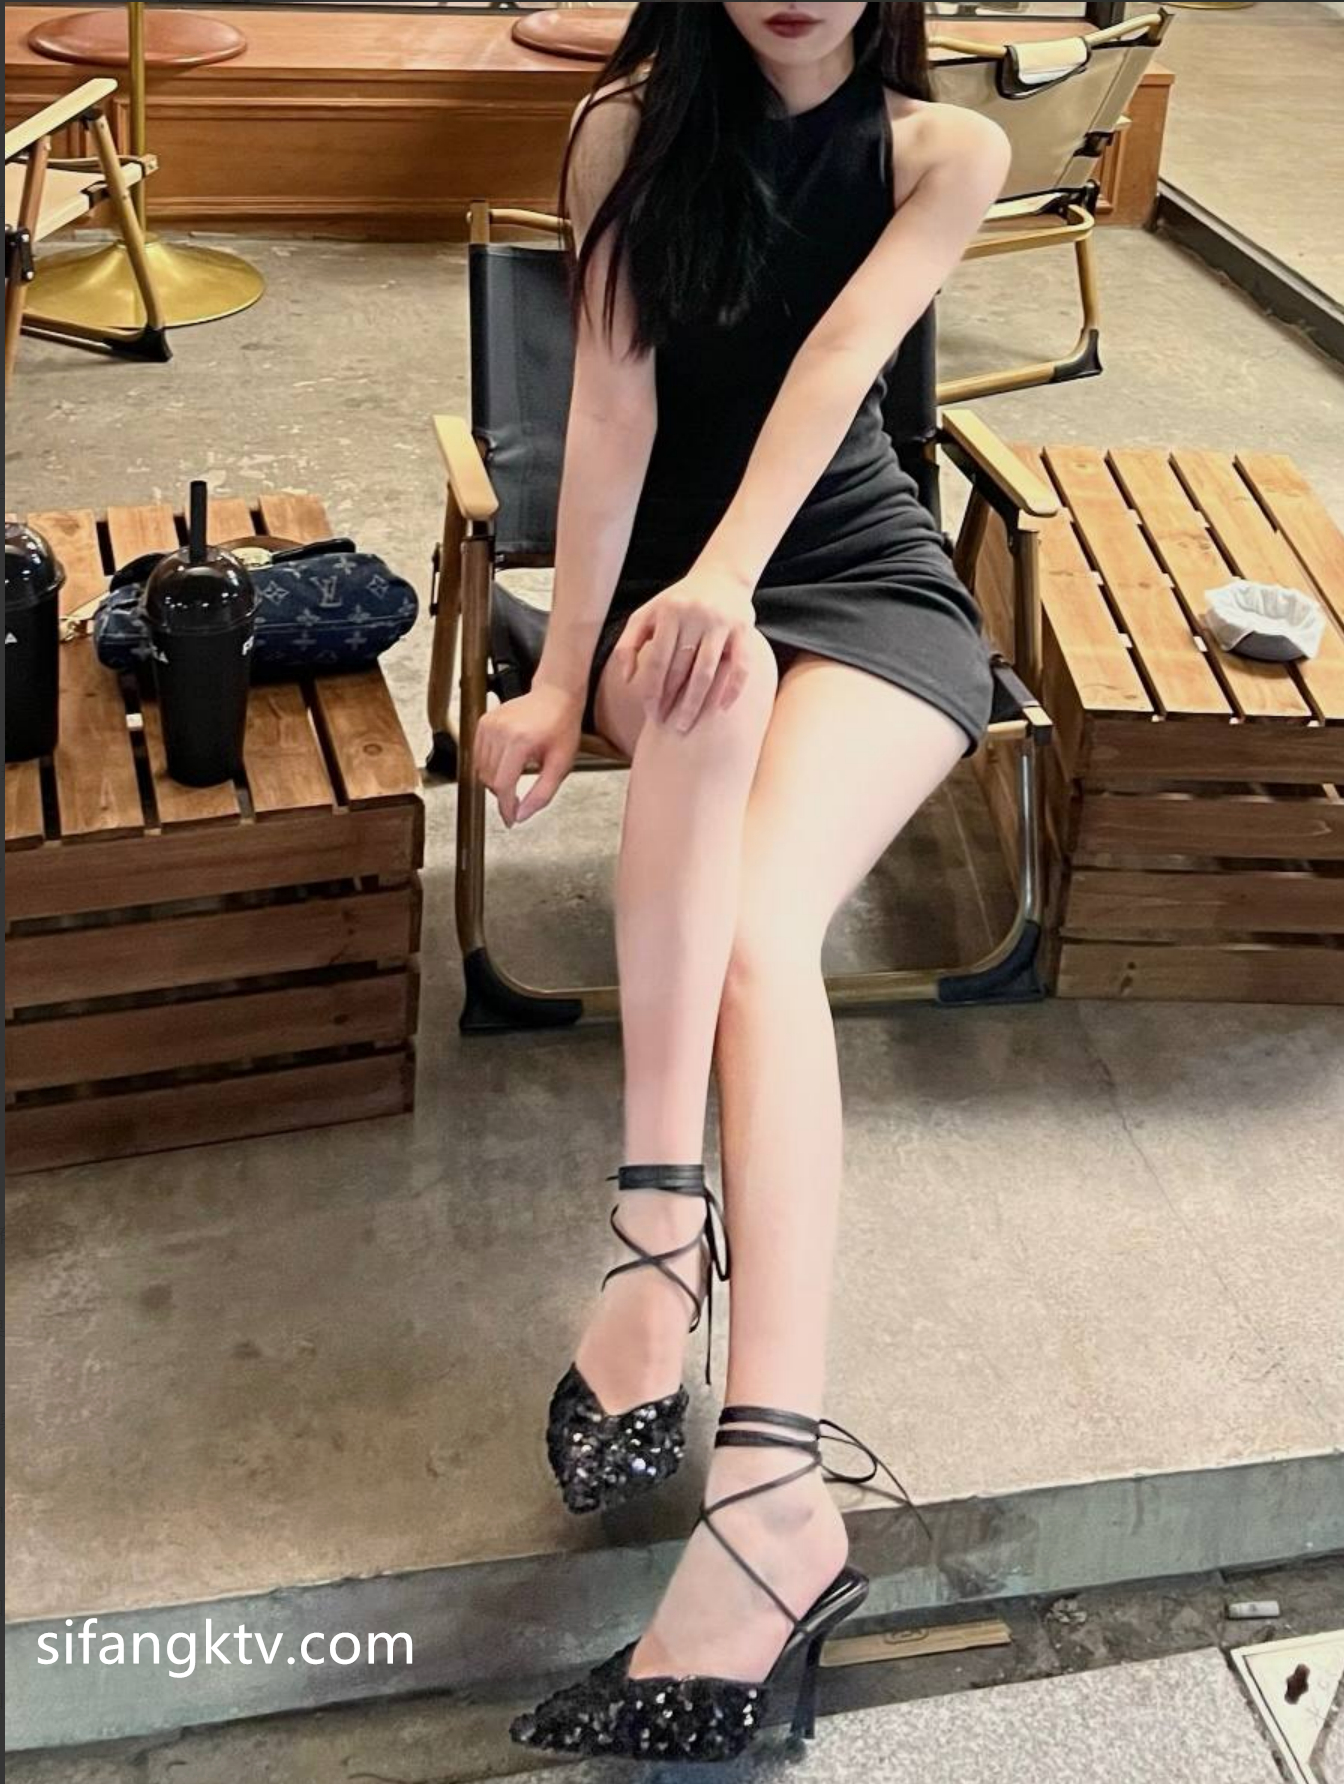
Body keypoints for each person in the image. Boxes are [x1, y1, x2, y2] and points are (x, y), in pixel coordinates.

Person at [478, 2, 1009, 1764]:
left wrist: (729, 578)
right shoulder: (624, 130)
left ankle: (768, 1479)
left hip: (861, 583)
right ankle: (659, 1251)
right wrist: (564, 677)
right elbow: (611, 401)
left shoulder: (946, 151)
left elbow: (838, 369)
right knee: (709, 689)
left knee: (766, 935)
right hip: (669, 606)